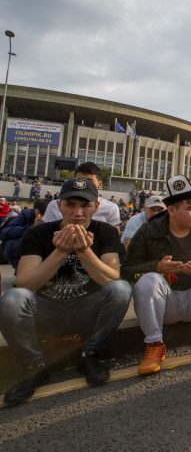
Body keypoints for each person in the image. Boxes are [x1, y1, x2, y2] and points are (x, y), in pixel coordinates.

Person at [0, 179, 131, 405]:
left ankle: (89, 353)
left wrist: (84, 252)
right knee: (12, 299)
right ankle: (34, 365)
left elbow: (113, 279)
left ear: (96, 207)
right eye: (70, 205)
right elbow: (25, 284)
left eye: (85, 206)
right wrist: (60, 252)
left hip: (86, 307)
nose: (78, 213)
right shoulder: (38, 234)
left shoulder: (105, 232)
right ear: (59, 205)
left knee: (121, 290)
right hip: (47, 309)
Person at [122, 175, 191, 374]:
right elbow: (128, 269)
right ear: (171, 210)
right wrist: (156, 266)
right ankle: (155, 345)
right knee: (149, 280)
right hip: (165, 304)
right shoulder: (149, 230)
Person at [43, 162, 121, 231]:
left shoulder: (111, 208)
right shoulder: (54, 205)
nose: (78, 213)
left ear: (100, 184)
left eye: (89, 181)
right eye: (79, 180)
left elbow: (113, 238)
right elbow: (46, 233)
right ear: (59, 205)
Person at [0, 199, 50, 269]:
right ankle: (22, 270)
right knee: (11, 245)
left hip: (46, 245)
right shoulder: (26, 215)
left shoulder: (55, 214)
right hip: (28, 243)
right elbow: (4, 232)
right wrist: (31, 228)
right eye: (42, 213)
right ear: (36, 211)